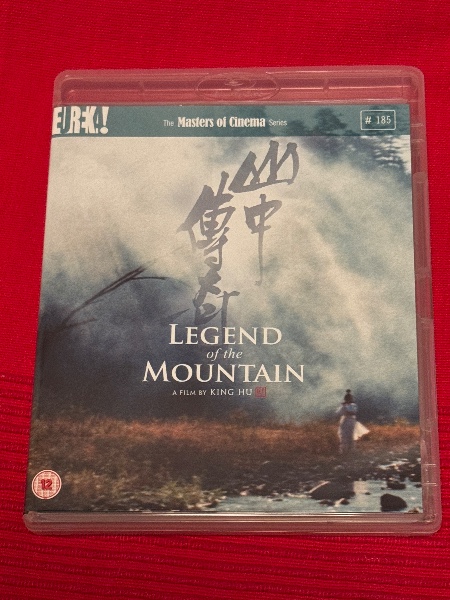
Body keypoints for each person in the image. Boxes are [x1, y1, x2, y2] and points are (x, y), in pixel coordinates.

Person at [337, 389, 369, 454]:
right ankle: (344, 450)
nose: (348, 400)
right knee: (344, 434)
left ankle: (350, 449)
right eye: (347, 399)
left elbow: (353, 412)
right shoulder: (344, 405)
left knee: (350, 434)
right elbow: (339, 412)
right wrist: (344, 407)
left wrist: (345, 408)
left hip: (351, 421)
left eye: (349, 398)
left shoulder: (353, 405)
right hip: (345, 420)